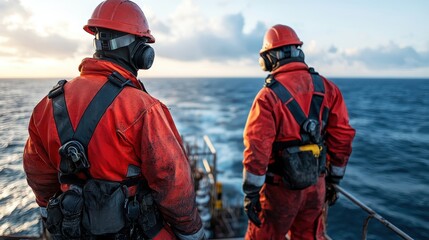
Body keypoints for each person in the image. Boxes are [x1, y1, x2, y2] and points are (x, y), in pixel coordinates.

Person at [22, 0, 205, 239]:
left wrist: (48, 211)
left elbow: (37, 172)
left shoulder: (47, 105)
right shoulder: (144, 108)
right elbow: (172, 182)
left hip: (71, 230)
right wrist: (191, 232)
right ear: (140, 52)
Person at [242, 24, 356, 239]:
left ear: (271, 58)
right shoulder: (328, 89)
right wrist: (334, 181)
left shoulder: (267, 97)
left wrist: (251, 193)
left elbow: (257, 149)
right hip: (316, 185)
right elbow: (342, 137)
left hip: (280, 191)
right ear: (298, 52)